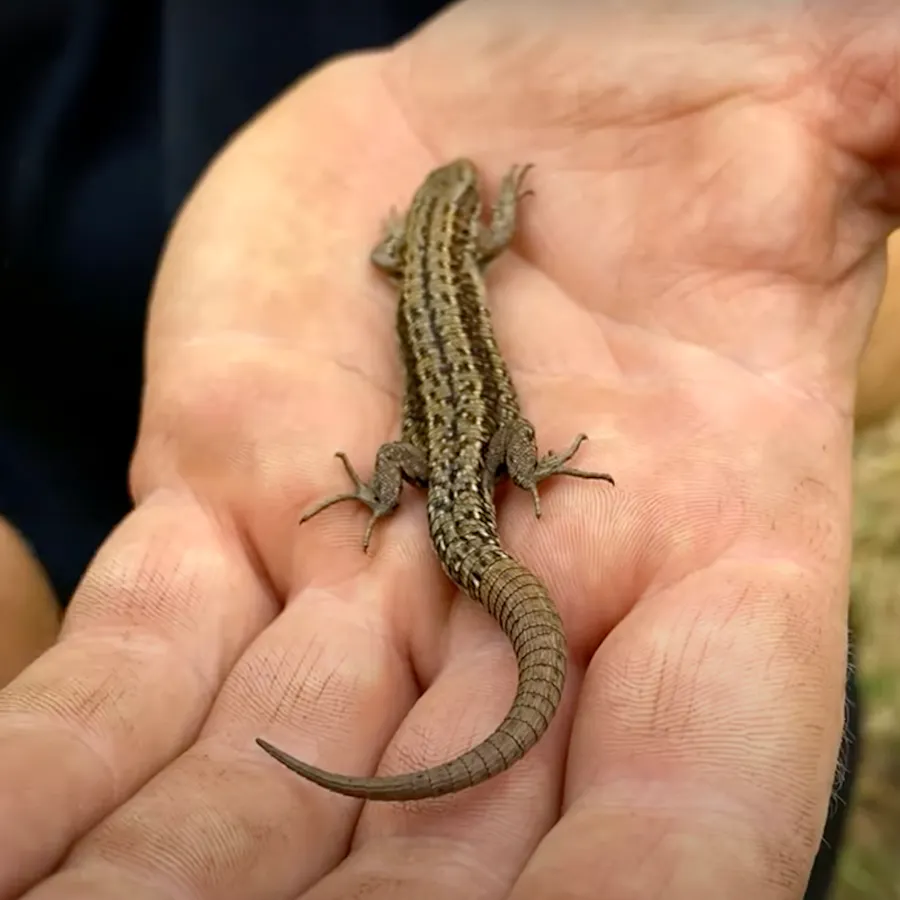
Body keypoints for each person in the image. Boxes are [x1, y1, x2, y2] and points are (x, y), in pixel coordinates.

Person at [0, 0, 884, 896]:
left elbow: (390, 254)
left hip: (429, 452)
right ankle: (530, 472)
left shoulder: (417, 259)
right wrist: (501, 216)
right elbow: (493, 237)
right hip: (478, 450)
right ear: (464, 224)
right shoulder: (475, 251)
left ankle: (386, 500)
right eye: (464, 205)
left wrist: (385, 489)